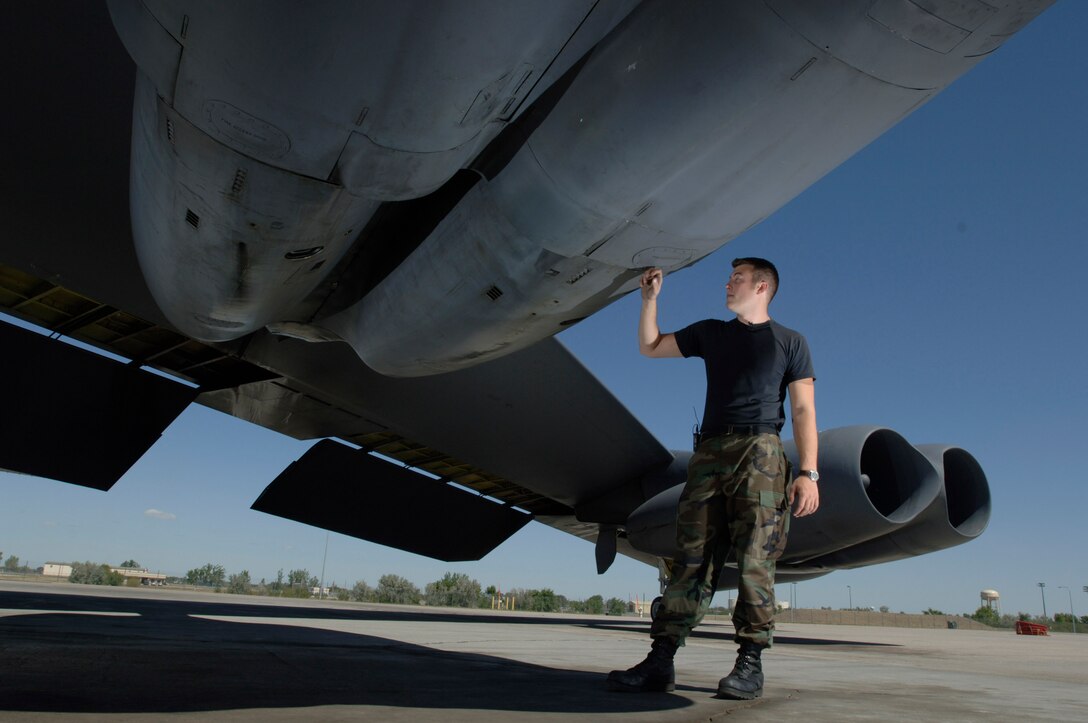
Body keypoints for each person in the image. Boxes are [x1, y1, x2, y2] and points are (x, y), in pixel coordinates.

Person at [607, 257, 819, 700]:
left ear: (761, 287)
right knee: (691, 556)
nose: (727, 283)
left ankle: (750, 663)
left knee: (755, 560)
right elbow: (650, 346)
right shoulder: (712, 333)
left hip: (761, 453)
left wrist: (808, 473)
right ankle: (660, 660)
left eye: (736, 278)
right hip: (709, 454)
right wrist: (649, 300)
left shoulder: (791, 342)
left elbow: (802, 410)